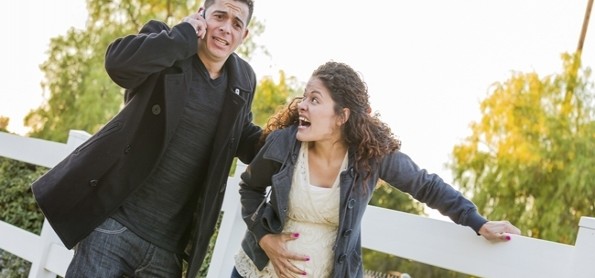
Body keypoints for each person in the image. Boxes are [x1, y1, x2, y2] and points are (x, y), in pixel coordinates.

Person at [31, 0, 260, 277]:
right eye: (219, 16)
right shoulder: (169, 42)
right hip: (113, 227)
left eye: (237, 24)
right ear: (202, 16)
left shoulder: (243, 78)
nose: (226, 28)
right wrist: (184, 34)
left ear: (244, 35)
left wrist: (291, 135)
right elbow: (118, 64)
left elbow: (242, 135)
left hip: (168, 252)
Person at [231, 61, 522, 278]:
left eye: (315, 99)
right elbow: (250, 188)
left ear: (341, 116)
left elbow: (427, 186)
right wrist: (266, 239)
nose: (302, 106)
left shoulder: (371, 157)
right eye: (305, 96)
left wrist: (477, 222)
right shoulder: (285, 143)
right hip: (258, 271)